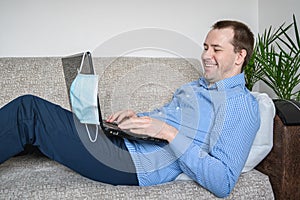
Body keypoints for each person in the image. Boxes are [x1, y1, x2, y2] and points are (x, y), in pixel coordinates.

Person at [0, 20, 259, 198]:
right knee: (30, 136)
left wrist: (168, 133)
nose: (205, 55)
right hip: (124, 142)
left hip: (133, 165)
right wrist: (136, 117)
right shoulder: (195, 87)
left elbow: (223, 182)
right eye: (205, 47)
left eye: (216, 49)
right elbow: (163, 118)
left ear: (239, 56)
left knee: (29, 112)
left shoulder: (241, 106)